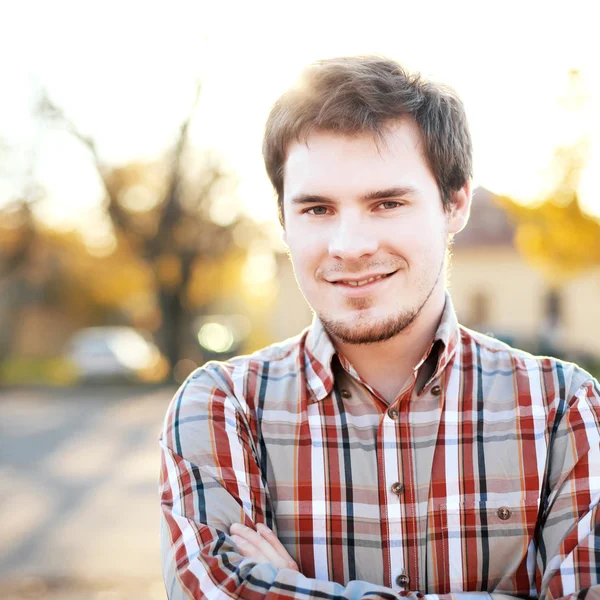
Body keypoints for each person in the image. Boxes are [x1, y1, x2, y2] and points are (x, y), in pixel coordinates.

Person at [159, 56, 600, 599]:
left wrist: (294, 588)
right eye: (317, 209)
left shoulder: (563, 409)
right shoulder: (223, 407)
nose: (350, 245)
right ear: (282, 220)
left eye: (387, 203)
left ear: (455, 203)